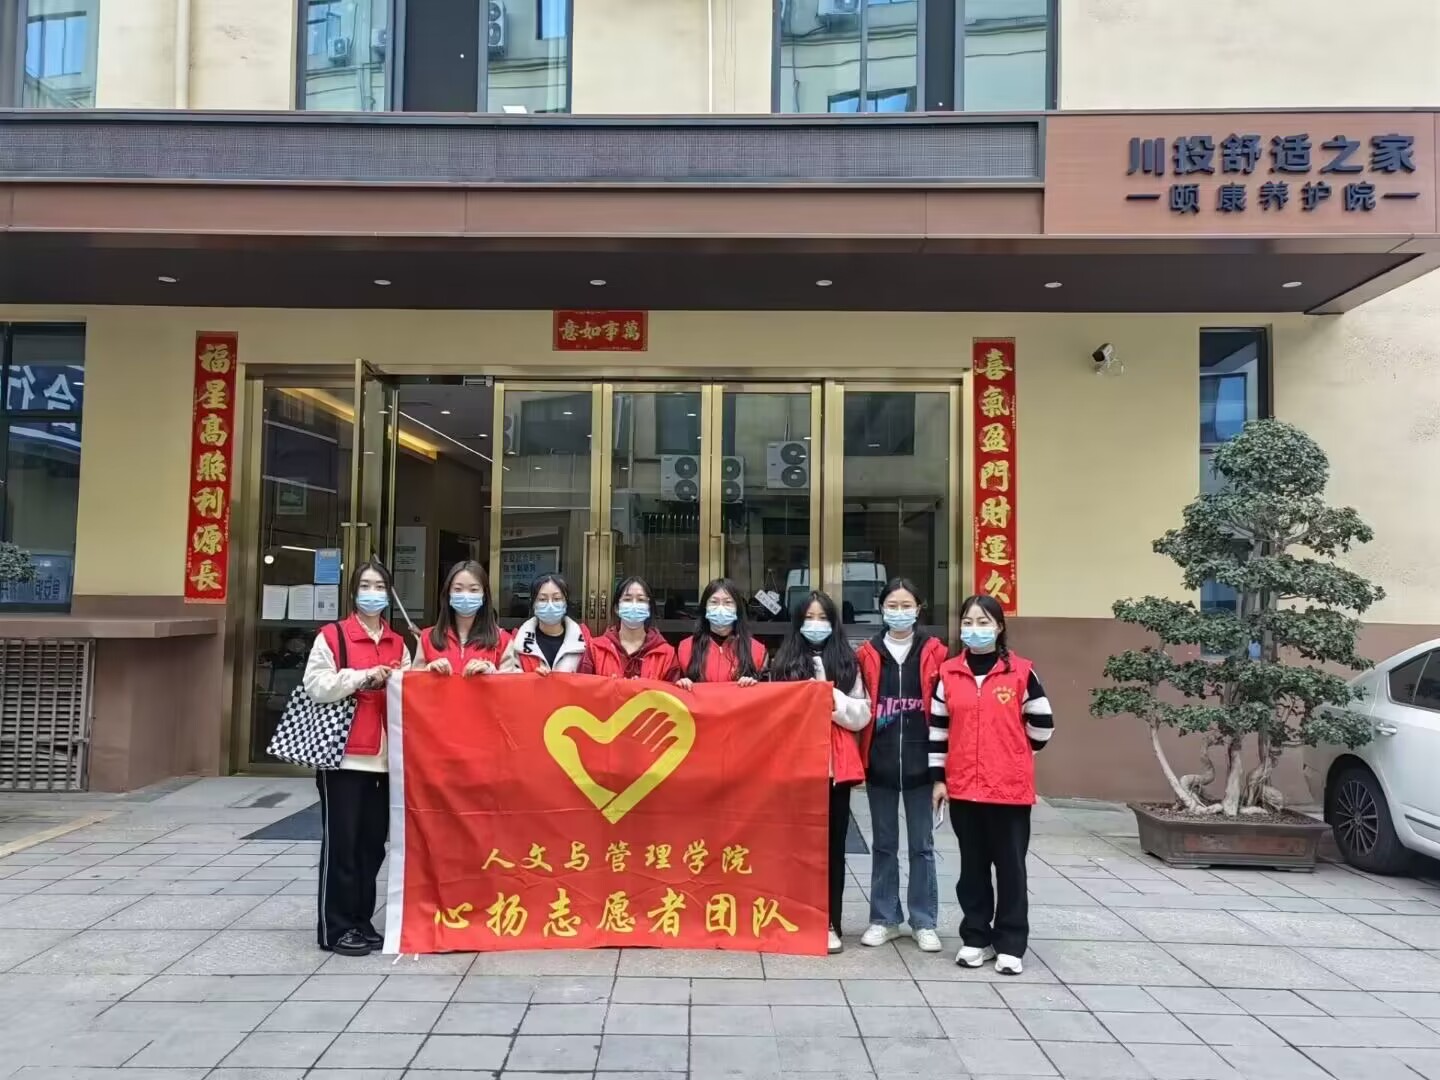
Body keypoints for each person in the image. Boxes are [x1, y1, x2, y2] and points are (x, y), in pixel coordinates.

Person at [930, 594, 1054, 975]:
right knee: (972, 869)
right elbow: (938, 731)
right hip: (964, 789)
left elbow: (1042, 726)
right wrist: (939, 780)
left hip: (1008, 791)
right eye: (968, 622)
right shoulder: (948, 673)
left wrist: (1014, 753)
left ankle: (1011, 944)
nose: (975, 630)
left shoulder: (1021, 673)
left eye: (983, 622)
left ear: (999, 627)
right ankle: (976, 938)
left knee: (1011, 869)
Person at [302, 559, 411, 957]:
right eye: (365, 586)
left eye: (380, 586)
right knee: (342, 846)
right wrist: (362, 677)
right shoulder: (333, 636)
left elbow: (410, 692)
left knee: (371, 847)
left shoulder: (398, 643)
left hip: (385, 761)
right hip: (344, 758)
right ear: (353, 592)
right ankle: (335, 928)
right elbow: (316, 685)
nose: (372, 593)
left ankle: (361, 921)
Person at [769, 590, 871, 955]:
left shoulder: (847, 661)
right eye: (809, 618)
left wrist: (831, 699)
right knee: (793, 847)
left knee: (832, 848)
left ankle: (829, 921)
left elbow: (862, 713)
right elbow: (772, 713)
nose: (816, 625)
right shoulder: (783, 661)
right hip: (795, 769)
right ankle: (792, 917)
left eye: (822, 618)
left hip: (833, 770)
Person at [855, 579, 948, 953]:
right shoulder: (867, 654)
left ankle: (924, 921)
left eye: (906, 605)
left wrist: (942, 772)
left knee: (922, 846)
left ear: (918, 608)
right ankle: (884, 919)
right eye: (892, 606)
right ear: (881, 609)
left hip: (923, 767)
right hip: (879, 764)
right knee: (884, 845)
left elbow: (947, 713)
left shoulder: (936, 653)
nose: (899, 612)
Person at [417, 560, 510, 676]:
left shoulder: (502, 640)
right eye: (458, 589)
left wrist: (491, 672)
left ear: (484, 595)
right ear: (448, 594)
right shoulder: (427, 638)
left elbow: (514, 683)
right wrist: (428, 671)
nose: (466, 595)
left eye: (474, 590)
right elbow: (411, 681)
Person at [580, 576, 678, 679]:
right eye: (627, 599)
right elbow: (582, 686)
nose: (634, 605)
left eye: (641, 600)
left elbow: (673, 688)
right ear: (617, 608)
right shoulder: (595, 649)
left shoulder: (667, 654)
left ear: (649, 608)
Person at [675, 577, 765, 689]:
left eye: (728, 602)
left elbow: (765, 694)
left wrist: (752, 685)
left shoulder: (756, 650)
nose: (720, 608)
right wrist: (683, 684)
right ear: (705, 607)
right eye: (714, 602)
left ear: (737, 608)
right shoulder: (686, 648)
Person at [499, 573, 589, 674]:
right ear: (533, 604)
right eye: (542, 599)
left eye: (557, 599)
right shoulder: (518, 641)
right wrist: (533, 678)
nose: (550, 605)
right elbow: (510, 679)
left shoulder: (584, 641)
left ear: (566, 603)